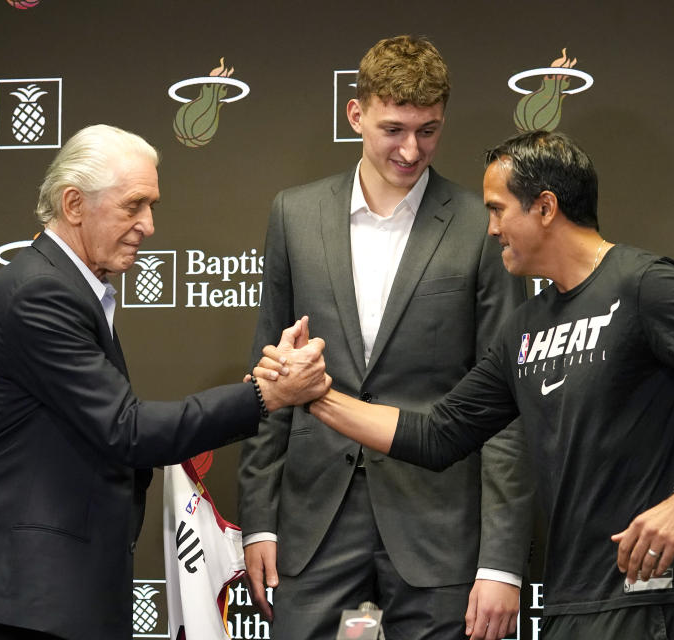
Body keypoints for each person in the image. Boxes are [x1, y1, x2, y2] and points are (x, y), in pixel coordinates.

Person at [259, 130, 674, 640]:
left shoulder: (645, 284)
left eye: (497, 209)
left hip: (657, 596)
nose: (490, 229)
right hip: (571, 599)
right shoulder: (526, 326)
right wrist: (314, 395)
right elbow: (439, 433)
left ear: (545, 208)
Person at [0, 124, 329, 640]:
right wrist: (265, 394)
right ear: (74, 204)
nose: (150, 225)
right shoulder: (39, 293)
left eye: (152, 206)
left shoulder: (64, 287)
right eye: (134, 205)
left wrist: (260, 385)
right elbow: (128, 430)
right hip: (17, 604)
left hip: (44, 598)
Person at [238, 35, 534, 640]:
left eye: (428, 131)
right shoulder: (294, 214)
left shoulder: (484, 223)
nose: (410, 149)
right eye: (393, 128)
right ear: (355, 114)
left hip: (440, 524)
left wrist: (501, 559)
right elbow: (268, 371)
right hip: (313, 516)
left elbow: (505, 402)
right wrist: (259, 522)